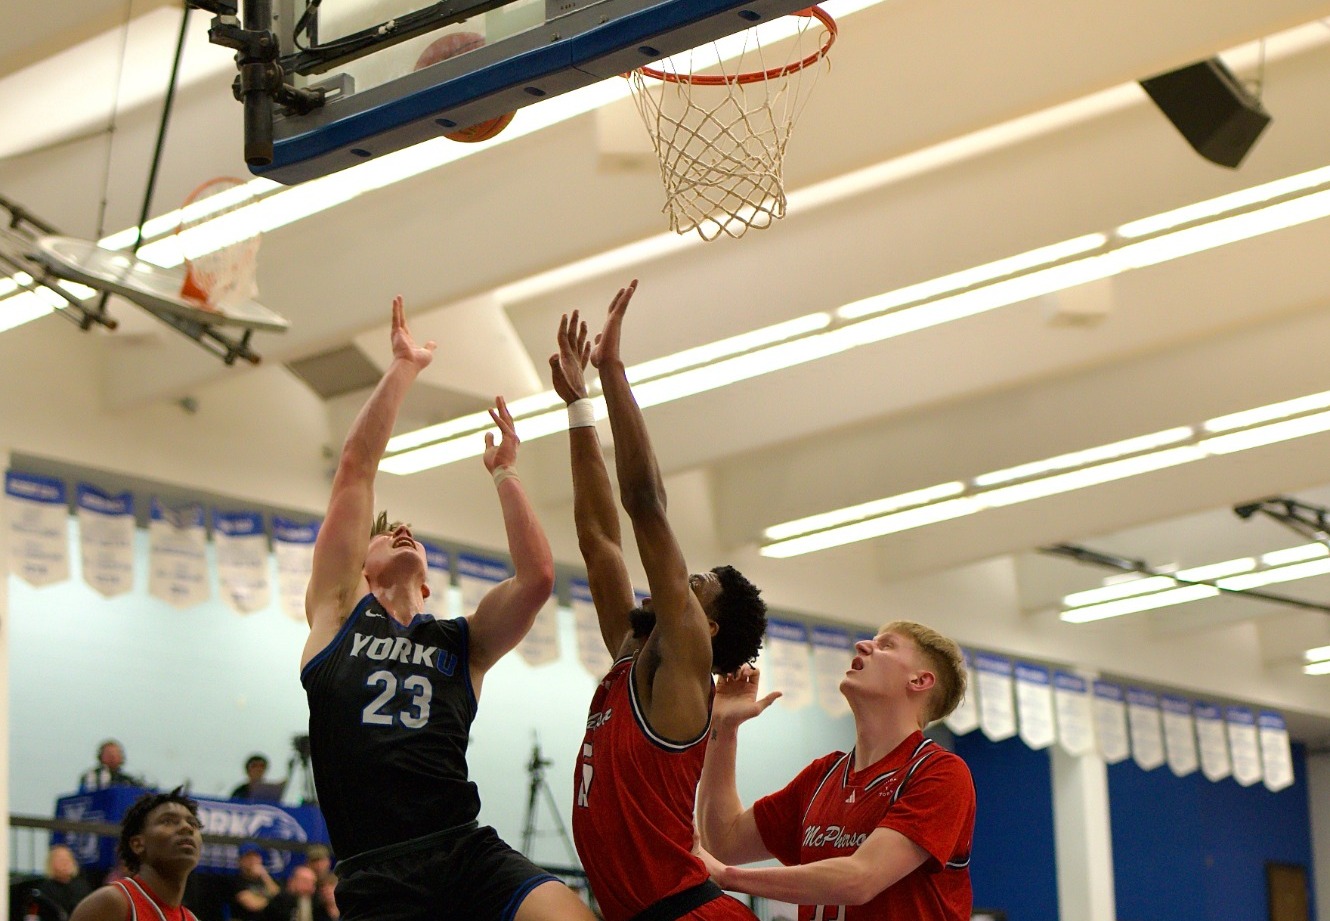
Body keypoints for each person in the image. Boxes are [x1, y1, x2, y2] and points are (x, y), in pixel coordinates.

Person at [299, 295, 594, 921]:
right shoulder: (335, 613)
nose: (402, 532)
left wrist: (507, 474)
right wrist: (404, 368)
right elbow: (355, 470)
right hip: (378, 868)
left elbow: (537, 578)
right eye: (386, 534)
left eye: (413, 534)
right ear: (358, 568)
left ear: (430, 583)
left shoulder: (463, 642)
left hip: (463, 848)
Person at [550, 282, 768, 921]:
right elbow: (598, 542)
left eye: (695, 584)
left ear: (707, 624)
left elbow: (644, 503)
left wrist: (613, 372)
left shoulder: (682, 664)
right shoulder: (634, 651)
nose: (677, 581)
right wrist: (578, 408)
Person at [696, 623, 977, 921]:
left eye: (886, 645)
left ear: (920, 680)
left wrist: (728, 878)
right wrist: (722, 728)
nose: (863, 645)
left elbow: (860, 879)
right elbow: (723, 842)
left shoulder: (941, 772)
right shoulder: (824, 775)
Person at [68, 789, 203, 921]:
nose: (187, 828)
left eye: (193, 823)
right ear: (138, 844)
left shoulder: (191, 918)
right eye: (168, 821)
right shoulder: (111, 903)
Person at [35, 845, 92, 918]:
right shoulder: (45, 890)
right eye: (60, 860)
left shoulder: (82, 886)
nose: (65, 863)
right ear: (51, 864)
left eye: (68, 859)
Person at [261, 866, 331, 921]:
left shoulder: (317, 902)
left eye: (313, 883)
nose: (310, 886)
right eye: (305, 881)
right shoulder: (279, 901)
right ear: (293, 881)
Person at [230, 845, 280, 921]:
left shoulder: (267, 879)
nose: (253, 860)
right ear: (241, 861)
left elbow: (279, 896)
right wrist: (274, 901)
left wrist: (264, 875)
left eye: (256, 857)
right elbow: (254, 905)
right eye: (249, 857)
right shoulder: (236, 881)